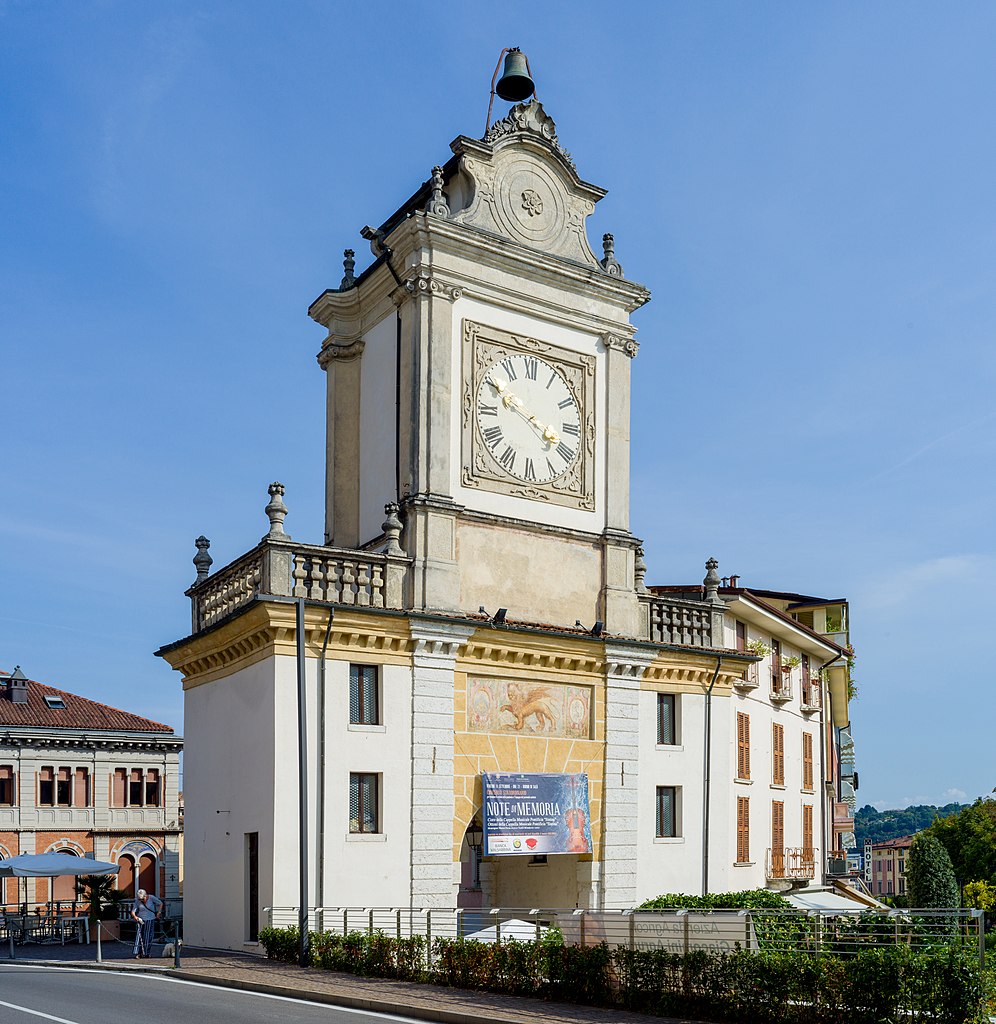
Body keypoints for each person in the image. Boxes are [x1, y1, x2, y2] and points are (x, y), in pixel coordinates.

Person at [131, 888, 163, 958]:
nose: (142, 901)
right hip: (140, 920)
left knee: (148, 937)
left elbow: (160, 903)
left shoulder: (151, 898)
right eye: (140, 900)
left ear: (146, 896)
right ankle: (138, 953)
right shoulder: (137, 901)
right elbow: (133, 911)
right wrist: (135, 917)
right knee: (139, 936)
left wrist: (159, 912)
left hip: (150, 919)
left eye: (142, 899)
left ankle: (146, 953)